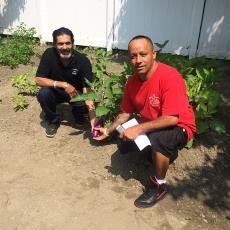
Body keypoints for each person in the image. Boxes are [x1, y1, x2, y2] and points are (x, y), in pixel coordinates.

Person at [94, 35, 196, 208]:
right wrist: (108, 130)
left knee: (160, 139)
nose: (138, 60)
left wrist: (139, 129)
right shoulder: (132, 82)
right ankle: (161, 154)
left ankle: (159, 184)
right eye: (133, 56)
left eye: (143, 54)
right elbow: (125, 113)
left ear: (153, 54)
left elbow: (172, 118)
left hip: (179, 125)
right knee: (123, 140)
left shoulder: (169, 76)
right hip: (152, 123)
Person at [36, 27, 96, 137]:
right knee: (43, 94)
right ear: (55, 44)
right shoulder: (49, 54)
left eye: (68, 43)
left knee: (82, 104)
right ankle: (53, 120)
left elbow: (88, 94)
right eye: (60, 44)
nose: (64, 47)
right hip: (54, 91)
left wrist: (93, 118)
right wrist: (64, 85)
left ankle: (78, 116)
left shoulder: (82, 61)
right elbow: (39, 80)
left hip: (75, 94)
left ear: (73, 43)